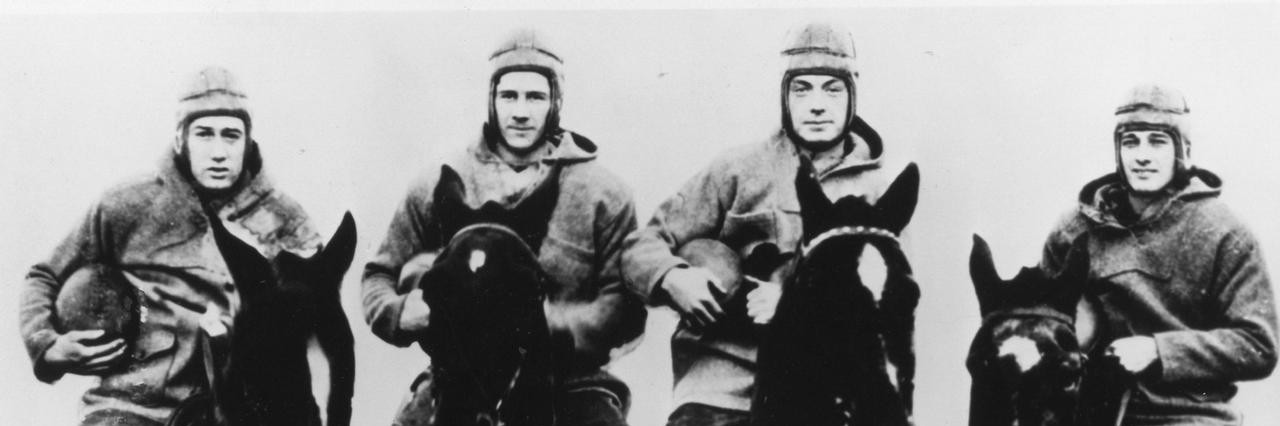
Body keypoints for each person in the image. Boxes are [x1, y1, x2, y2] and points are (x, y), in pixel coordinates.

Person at [621, 22, 907, 425]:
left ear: (852, 95)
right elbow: (642, 245)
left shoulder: (881, 192)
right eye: (802, 89)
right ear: (784, 96)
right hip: (723, 387)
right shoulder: (738, 169)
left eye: (832, 89)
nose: (817, 105)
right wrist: (672, 277)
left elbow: (894, 304)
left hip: (829, 390)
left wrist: (795, 309)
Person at [362, 29, 646, 426]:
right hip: (456, 377)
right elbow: (379, 274)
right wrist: (397, 312)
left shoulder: (603, 193)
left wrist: (555, 328)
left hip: (570, 381)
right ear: (491, 98)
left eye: (536, 97)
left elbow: (625, 303)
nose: (521, 112)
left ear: (556, 102)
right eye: (509, 96)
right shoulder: (439, 182)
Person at [19, 66, 322, 425]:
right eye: (204, 134)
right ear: (181, 139)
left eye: (231, 136)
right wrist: (48, 346)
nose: (219, 152)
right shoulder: (127, 205)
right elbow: (44, 276)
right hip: (134, 409)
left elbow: (315, 324)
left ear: (248, 141)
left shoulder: (286, 221)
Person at [1040, 84, 1277, 424]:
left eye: (1157, 141)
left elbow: (1258, 346)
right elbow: (1043, 324)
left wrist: (1159, 350)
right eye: (1130, 142)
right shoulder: (1074, 230)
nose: (1142, 156)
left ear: (1182, 150)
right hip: (1088, 411)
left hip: (1189, 412)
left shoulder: (1225, 232)